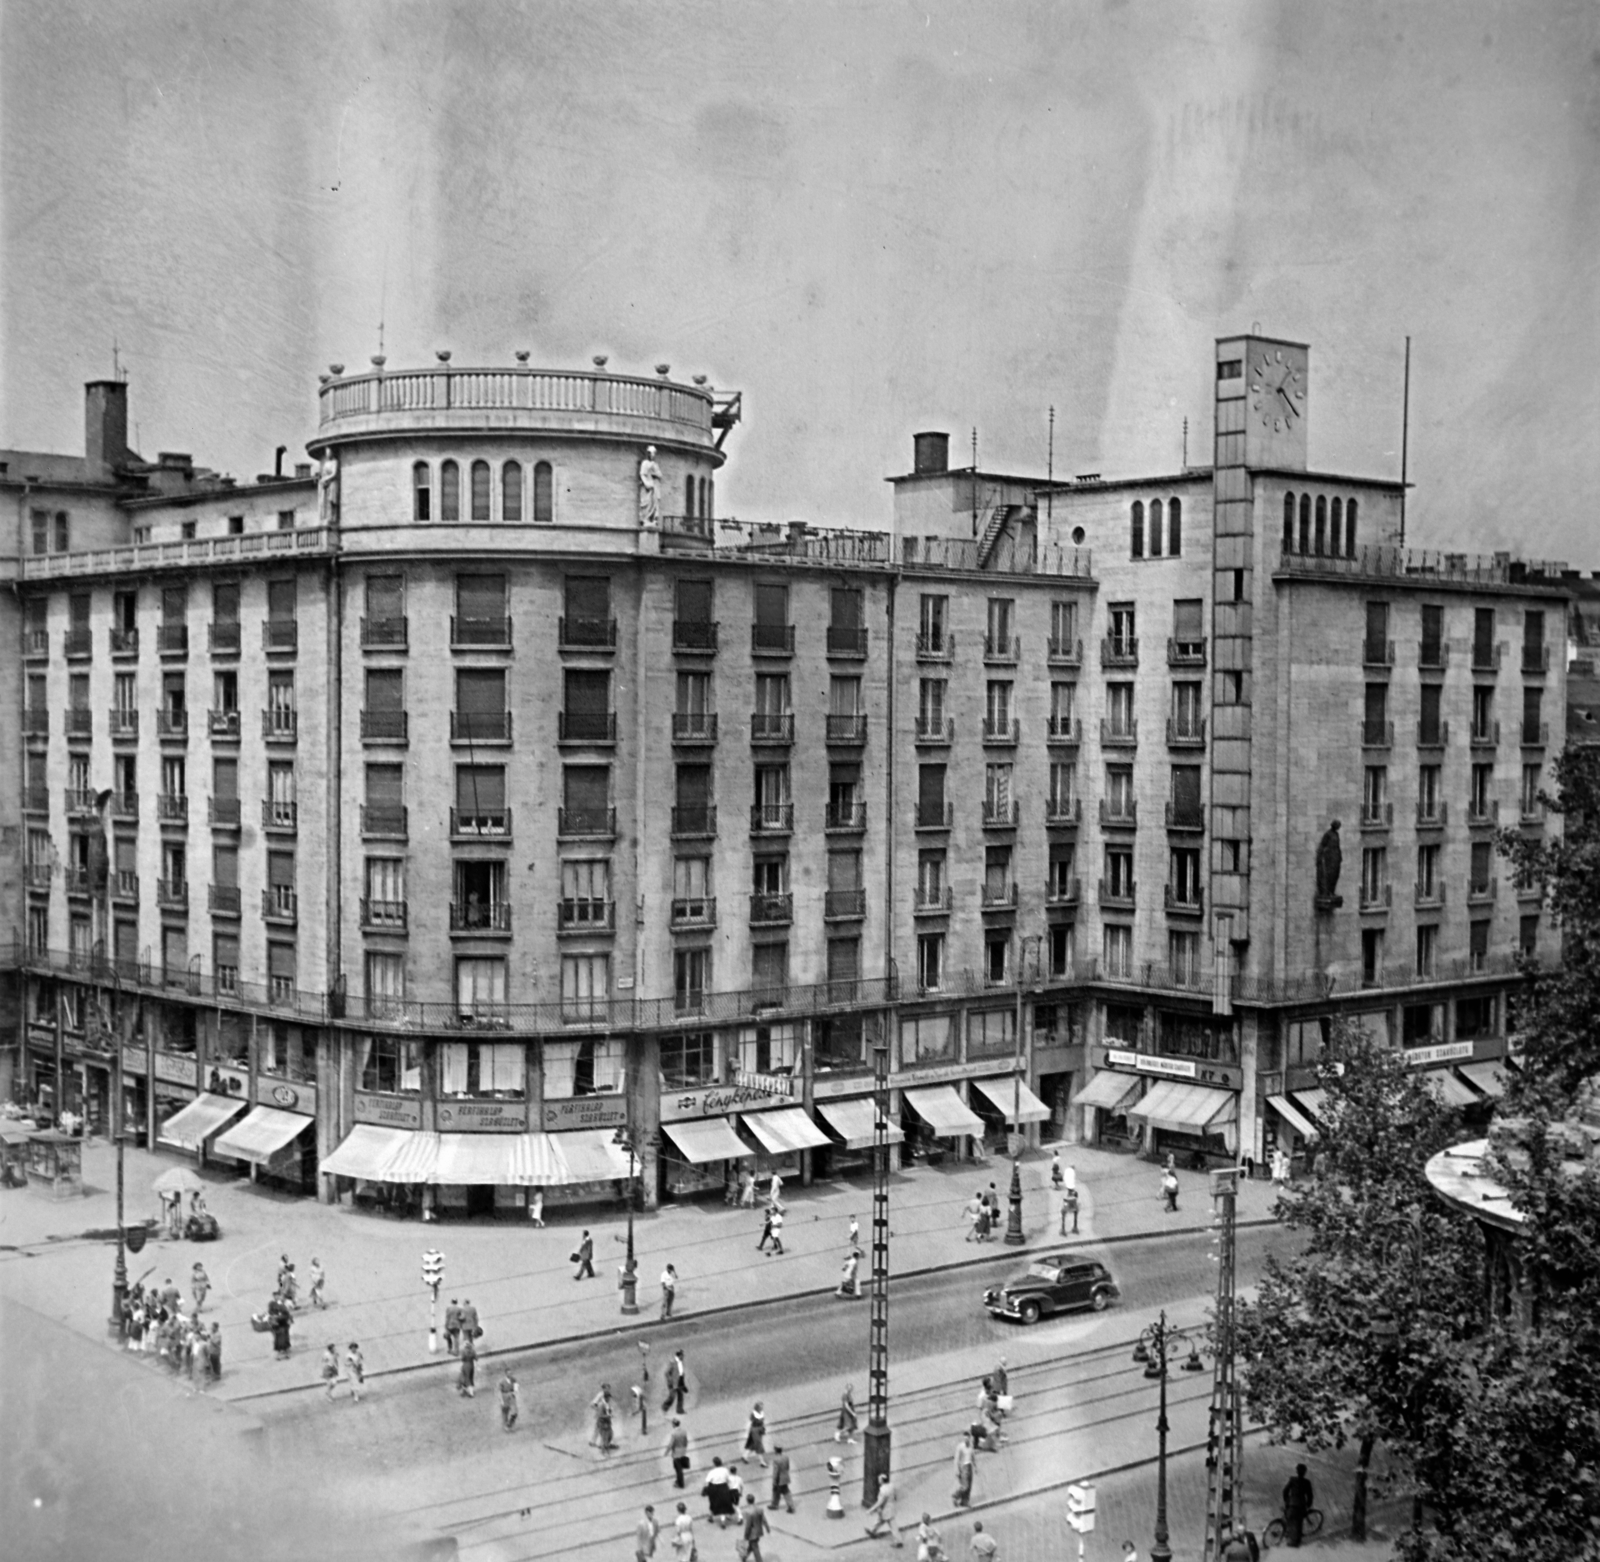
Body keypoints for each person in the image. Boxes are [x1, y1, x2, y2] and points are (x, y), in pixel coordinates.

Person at [864, 1472, 902, 1547]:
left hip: (885, 1510)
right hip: (891, 1508)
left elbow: (880, 1502)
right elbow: (895, 1496)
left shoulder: (883, 1490)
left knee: (891, 1525)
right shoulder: (891, 1486)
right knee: (880, 1521)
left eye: (879, 1479)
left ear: (882, 1481)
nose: (878, 1480)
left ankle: (898, 1541)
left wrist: (871, 1510)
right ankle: (872, 1531)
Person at [1282, 1463, 1314, 1546]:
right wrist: (1308, 1504)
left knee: (1289, 1520)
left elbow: (1285, 1491)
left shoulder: (1292, 1480)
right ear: (1305, 1472)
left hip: (1291, 1504)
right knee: (1299, 1523)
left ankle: (1288, 1538)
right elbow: (1309, 1495)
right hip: (1301, 1505)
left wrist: (1287, 1500)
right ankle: (1296, 1542)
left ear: (1296, 1471)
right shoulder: (1307, 1482)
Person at [702, 1457, 736, 1528]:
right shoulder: (725, 1470)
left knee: (713, 1503)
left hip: (714, 1488)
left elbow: (707, 1481)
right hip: (723, 1487)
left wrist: (705, 1489)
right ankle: (722, 1522)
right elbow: (729, 1479)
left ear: (714, 1464)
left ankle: (711, 1517)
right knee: (723, 1504)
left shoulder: (712, 1472)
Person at [740, 1492, 769, 1562]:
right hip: (759, 1531)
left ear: (747, 1501)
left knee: (755, 1547)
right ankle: (744, 1556)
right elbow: (764, 1519)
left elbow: (748, 1526)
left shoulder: (748, 1512)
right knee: (752, 1545)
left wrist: (746, 1536)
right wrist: (767, 1528)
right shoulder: (759, 1509)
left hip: (752, 1534)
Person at [638, 446, 663, 527]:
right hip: (647, 488)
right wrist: (646, 484)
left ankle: (652, 519)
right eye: (652, 453)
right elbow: (642, 474)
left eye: (654, 453)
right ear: (648, 454)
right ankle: (645, 519)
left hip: (654, 487)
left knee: (654, 503)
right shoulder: (645, 463)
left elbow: (660, 475)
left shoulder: (655, 464)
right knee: (646, 503)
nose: (653, 455)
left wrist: (655, 474)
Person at [767, 1444, 794, 1513]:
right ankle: (789, 1506)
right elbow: (788, 1467)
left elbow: (776, 1471)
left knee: (777, 1491)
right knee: (784, 1492)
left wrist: (774, 1481)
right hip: (786, 1477)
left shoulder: (776, 1459)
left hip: (779, 1479)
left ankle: (775, 1505)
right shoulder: (786, 1457)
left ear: (775, 1450)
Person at [742, 1401, 769, 1467]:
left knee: (753, 1444)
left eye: (762, 1406)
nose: (762, 1408)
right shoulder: (753, 1414)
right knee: (758, 1445)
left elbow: (763, 1421)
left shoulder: (761, 1412)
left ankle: (745, 1456)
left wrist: (764, 1429)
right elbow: (749, 1423)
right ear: (757, 1407)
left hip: (760, 1429)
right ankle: (762, 1462)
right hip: (755, 1430)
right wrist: (746, 1432)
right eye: (761, 1407)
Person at [666, 1418, 691, 1488]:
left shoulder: (674, 1433)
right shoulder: (684, 1431)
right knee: (679, 1468)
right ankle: (678, 1481)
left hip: (676, 1453)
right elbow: (686, 1441)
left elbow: (671, 1444)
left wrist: (666, 1452)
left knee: (678, 1469)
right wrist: (684, 1448)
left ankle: (680, 1484)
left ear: (674, 1425)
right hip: (683, 1451)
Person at [592, 1382, 616, 1452]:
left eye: (609, 1388)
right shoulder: (600, 1395)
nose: (608, 1389)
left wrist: (609, 1410)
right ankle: (596, 1443)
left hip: (605, 1414)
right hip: (601, 1414)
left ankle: (601, 1444)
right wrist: (598, 1410)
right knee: (600, 1429)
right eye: (607, 1388)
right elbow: (594, 1404)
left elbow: (608, 1404)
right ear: (604, 1388)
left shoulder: (607, 1396)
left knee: (603, 1430)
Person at [664, 1349, 688, 1414]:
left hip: (678, 1383)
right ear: (679, 1356)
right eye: (682, 1356)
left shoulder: (680, 1363)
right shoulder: (673, 1363)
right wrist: (670, 1380)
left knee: (680, 1396)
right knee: (672, 1397)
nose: (683, 1357)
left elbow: (681, 1374)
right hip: (673, 1383)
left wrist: (683, 1384)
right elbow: (666, 1373)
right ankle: (664, 1408)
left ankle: (679, 1410)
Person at [458, 1332, 477, 1397]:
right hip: (472, 1365)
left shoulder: (464, 1351)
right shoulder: (473, 1351)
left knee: (466, 1378)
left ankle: (470, 1392)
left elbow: (462, 1359)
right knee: (471, 1377)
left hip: (466, 1365)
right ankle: (470, 1390)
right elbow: (476, 1358)